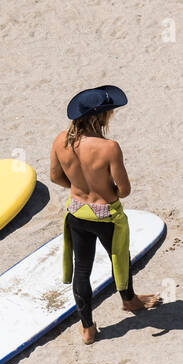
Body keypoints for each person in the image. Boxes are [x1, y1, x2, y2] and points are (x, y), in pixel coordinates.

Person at [49, 85, 160, 344]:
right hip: (106, 216)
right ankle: (129, 300)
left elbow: (55, 177)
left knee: (82, 268)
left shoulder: (60, 140)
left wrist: (79, 189)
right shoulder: (109, 147)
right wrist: (103, 191)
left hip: (76, 212)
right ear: (100, 117)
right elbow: (125, 190)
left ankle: (87, 328)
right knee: (119, 257)